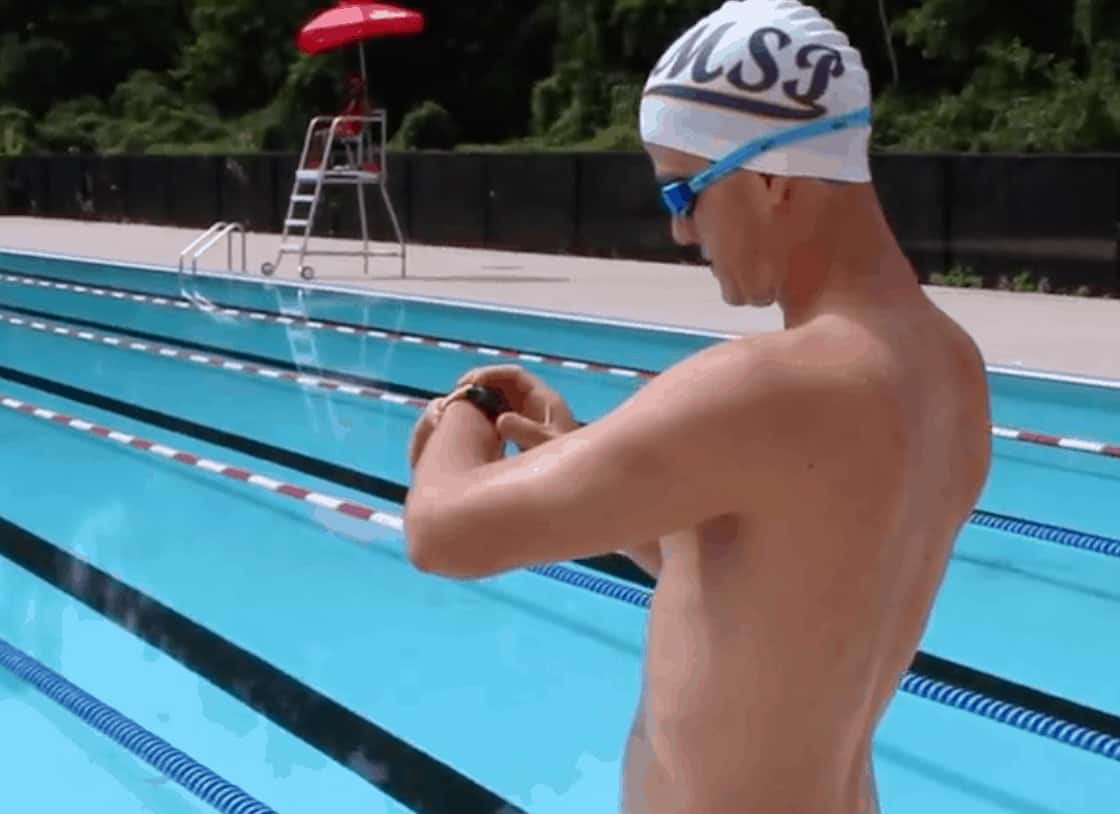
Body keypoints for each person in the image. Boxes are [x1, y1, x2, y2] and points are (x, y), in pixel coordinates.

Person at [404, 1, 992, 812]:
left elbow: (443, 533)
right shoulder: (950, 368)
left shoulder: (766, 385)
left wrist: (467, 408)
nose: (681, 230)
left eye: (684, 191)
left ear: (773, 179)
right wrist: (576, 451)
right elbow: (767, 590)